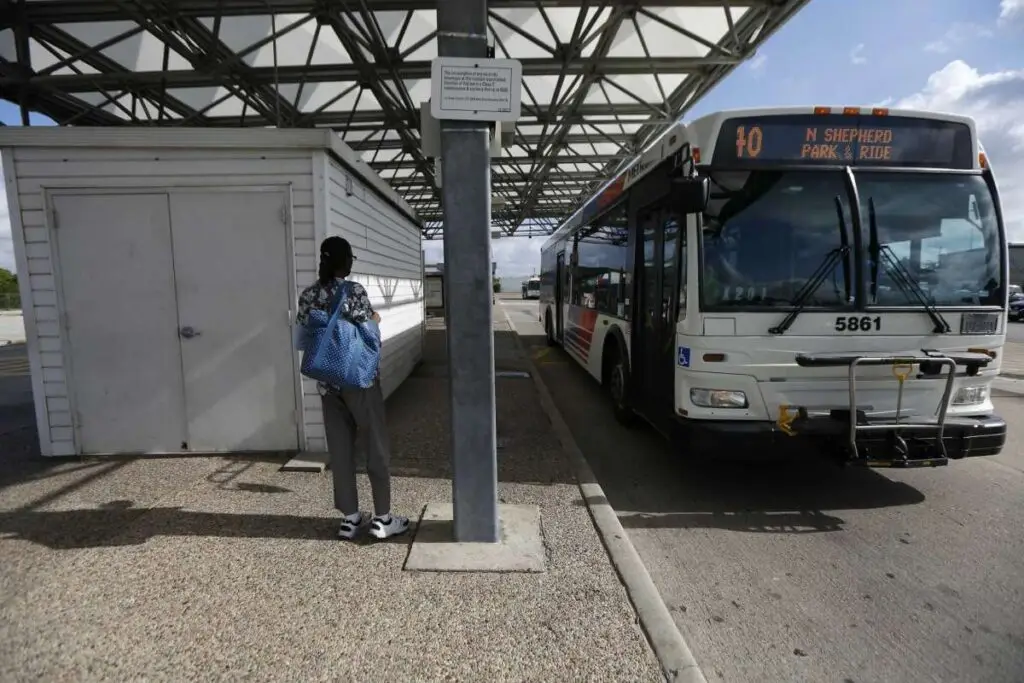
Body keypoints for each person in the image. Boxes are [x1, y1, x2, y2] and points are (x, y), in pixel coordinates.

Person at [295, 236, 409, 541]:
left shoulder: (308, 295)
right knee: (375, 447)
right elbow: (368, 334)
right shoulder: (354, 291)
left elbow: (302, 337)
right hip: (360, 382)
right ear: (345, 261)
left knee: (341, 451)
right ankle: (383, 518)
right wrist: (374, 317)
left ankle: (350, 519)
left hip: (327, 386)